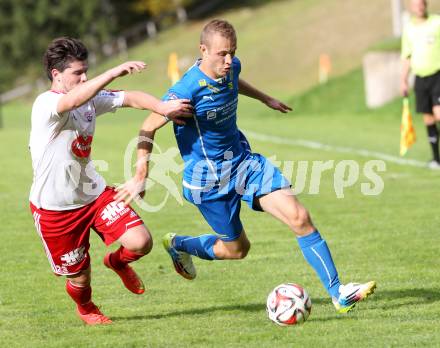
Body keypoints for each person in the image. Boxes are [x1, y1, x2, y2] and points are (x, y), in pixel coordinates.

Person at [117, 20, 376, 313]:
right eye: (221, 54)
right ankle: (180, 245)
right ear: (203, 50)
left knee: (299, 216)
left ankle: (338, 293)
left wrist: (266, 98)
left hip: (244, 164)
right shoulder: (186, 90)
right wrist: (141, 175)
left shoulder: (231, 66)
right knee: (238, 250)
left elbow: (234, 80)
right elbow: (147, 128)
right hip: (208, 183)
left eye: (232, 53)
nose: (229, 61)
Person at [29, 37, 192, 325]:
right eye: (77, 73)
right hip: (56, 209)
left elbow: (131, 97)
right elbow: (73, 100)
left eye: (86, 71)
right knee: (79, 278)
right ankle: (87, 308)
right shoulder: (47, 104)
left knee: (141, 242)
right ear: (56, 75)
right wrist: (114, 71)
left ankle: (116, 262)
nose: (85, 78)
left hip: (94, 195)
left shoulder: (89, 99)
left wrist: (163, 107)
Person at [401, 0, 440, 169]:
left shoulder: (437, 22)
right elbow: (406, 56)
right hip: (420, 78)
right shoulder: (408, 28)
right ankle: (436, 159)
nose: (419, 7)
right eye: (416, 4)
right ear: (411, 6)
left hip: (437, 75)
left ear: (426, 4)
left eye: (422, 3)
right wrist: (403, 79)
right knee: (428, 118)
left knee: (439, 114)